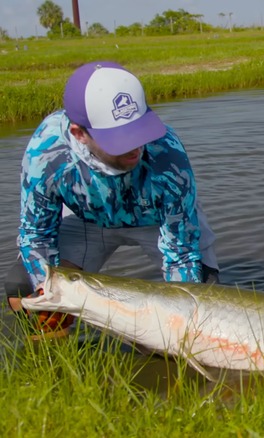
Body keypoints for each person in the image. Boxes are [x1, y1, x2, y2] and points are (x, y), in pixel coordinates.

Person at [5, 61, 219, 334]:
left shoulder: (167, 152)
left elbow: (181, 253)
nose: (135, 146)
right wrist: (51, 293)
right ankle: (54, 360)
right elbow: (37, 235)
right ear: (79, 134)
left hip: (157, 222)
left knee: (204, 300)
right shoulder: (46, 153)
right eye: (119, 138)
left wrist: (181, 323)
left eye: (138, 130)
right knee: (26, 291)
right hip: (86, 220)